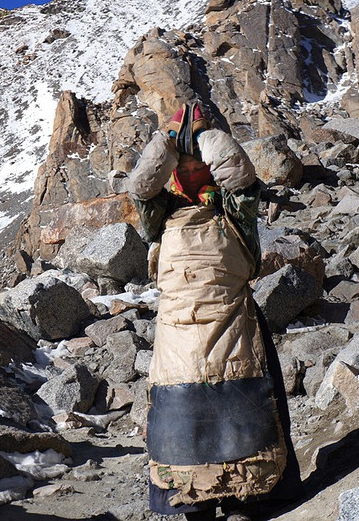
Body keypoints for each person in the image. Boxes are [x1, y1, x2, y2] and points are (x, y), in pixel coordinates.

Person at [109, 103, 302, 520]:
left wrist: (180, 139)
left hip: (180, 340)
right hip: (230, 330)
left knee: (185, 417)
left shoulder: (174, 216)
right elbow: (144, 186)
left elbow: (238, 175)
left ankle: (215, 501)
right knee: (243, 406)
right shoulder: (222, 212)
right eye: (189, 156)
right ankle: (244, 499)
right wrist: (189, 137)